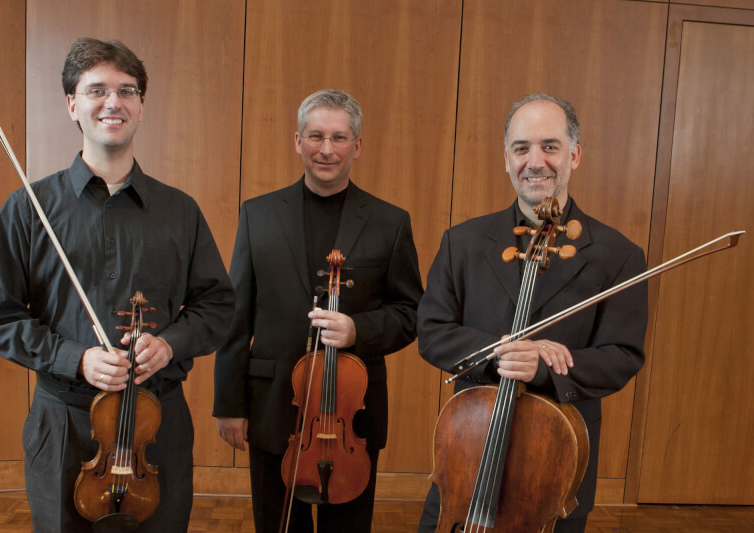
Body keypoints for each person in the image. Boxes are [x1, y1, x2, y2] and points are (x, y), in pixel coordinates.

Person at [0, 38, 234, 533]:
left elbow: (216, 306)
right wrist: (76, 358)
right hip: (64, 422)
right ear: (72, 104)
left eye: (127, 91)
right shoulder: (28, 207)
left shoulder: (180, 211)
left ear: (141, 107)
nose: (113, 102)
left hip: (157, 424)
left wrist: (169, 343)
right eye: (96, 90)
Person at [416, 93, 647, 533]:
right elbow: (431, 331)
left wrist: (543, 365)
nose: (535, 161)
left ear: (574, 155)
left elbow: (622, 355)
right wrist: (500, 351)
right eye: (521, 148)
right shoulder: (462, 242)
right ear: (507, 159)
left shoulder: (618, 255)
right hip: (467, 457)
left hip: (555, 468)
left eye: (550, 146)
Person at [213, 88, 423, 533]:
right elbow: (237, 319)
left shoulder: (391, 222)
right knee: (276, 525)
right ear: (297, 141)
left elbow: (411, 312)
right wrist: (229, 404)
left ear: (357, 146)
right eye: (315, 136)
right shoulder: (258, 215)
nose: (326, 149)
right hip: (273, 405)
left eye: (339, 138)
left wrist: (357, 331)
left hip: (350, 414)